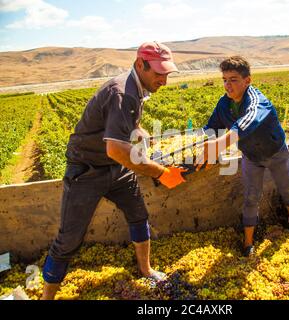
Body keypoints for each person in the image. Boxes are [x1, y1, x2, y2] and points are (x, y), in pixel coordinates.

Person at [41, 41, 187, 300]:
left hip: (115, 169)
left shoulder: (137, 88)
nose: (163, 79)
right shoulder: (122, 92)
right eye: (158, 73)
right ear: (140, 64)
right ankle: (47, 297)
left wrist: (140, 132)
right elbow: (117, 151)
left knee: (138, 215)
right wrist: (161, 173)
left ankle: (146, 270)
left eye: (166, 73)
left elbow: (128, 126)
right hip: (87, 170)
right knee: (69, 239)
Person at [195, 56, 289, 257]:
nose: (227, 85)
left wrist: (219, 144)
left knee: (286, 188)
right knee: (251, 197)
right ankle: (248, 243)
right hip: (251, 156)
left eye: (233, 79)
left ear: (247, 80)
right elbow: (210, 128)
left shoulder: (259, 102)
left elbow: (246, 121)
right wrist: (195, 143)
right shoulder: (224, 105)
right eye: (224, 79)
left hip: (275, 152)